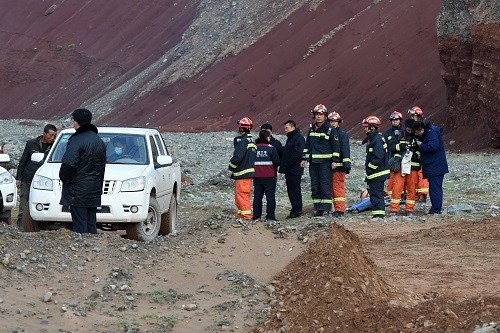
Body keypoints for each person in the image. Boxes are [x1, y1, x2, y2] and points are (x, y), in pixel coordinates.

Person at [59, 108, 106, 234]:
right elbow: (102, 167)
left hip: (78, 190)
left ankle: (82, 251)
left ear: (77, 122)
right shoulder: (99, 141)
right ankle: (93, 250)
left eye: (74, 120)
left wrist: (64, 178)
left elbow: (69, 164)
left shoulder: (76, 141)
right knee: (91, 224)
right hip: (94, 189)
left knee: (79, 225)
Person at [301, 104, 341, 217]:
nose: (319, 117)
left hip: (325, 163)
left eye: (321, 115)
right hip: (313, 162)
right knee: (315, 186)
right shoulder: (312, 129)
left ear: (325, 116)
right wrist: (304, 158)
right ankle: (318, 209)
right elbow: (307, 144)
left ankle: (326, 210)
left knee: (325, 185)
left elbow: (336, 147)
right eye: (317, 115)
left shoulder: (330, 130)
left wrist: (334, 161)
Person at [15, 124, 57, 231]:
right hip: (28, 179)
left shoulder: (55, 146)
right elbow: (23, 161)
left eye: (54, 136)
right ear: (44, 134)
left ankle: (40, 229)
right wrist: (19, 178)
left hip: (45, 182)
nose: (52, 138)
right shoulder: (31, 144)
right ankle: (22, 229)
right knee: (23, 205)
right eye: (51, 135)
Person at [413, 120, 449, 214]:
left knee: (435, 189)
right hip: (435, 166)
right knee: (435, 188)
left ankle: (436, 210)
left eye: (417, 132)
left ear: (421, 130)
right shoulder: (430, 132)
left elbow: (433, 146)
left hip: (435, 167)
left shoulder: (431, 133)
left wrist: (421, 145)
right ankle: (436, 208)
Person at [388, 119, 420, 217]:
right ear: (405, 128)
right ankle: (394, 209)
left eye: (412, 130)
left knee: (412, 188)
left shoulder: (418, 137)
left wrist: (415, 155)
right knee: (397, 187)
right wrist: (402, 146)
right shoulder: (398, 135)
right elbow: (391, 147)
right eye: (409, 130)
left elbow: (420, 150)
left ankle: (409, 210)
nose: (411, 132)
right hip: (400, 165)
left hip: (413, 166)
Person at [228, 117, 257, 219]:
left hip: (242, 173)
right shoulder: (252, 141)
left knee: (242, 195)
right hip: (246, 173)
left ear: (241, 128)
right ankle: (241, 214)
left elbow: (237, 157)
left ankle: (245, 215)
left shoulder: (243, 141)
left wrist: (230, 167)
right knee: (241, 195)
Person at [362, 116, 390, 219]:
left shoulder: (376, 139)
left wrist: (370, 168)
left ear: (372, 127)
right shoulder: (374, 138)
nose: (364, 129)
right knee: (374, 193)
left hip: (377, 173)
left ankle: (379, 214)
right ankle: (377, 213)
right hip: (375, 173)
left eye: (366, 127)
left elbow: (378, 156)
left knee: (377, 193)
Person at [278, 120, 305, 219]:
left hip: (294, 169)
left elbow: (298, 153)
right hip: (290, 169)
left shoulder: (298, 138)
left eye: (287, 128)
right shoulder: (291, 138)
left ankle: (296, 210)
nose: (285, 130)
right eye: (285, 128)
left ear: (293, 128)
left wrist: (287, 164)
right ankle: (295, 209)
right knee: (291, 190)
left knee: (294, 190)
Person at [252, 130, 280, 222]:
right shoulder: (271, 148)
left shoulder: (254, 148)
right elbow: (276, 162)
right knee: (270, 197)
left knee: (257, 196)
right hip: (269, 176)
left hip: (257, 176)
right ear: (267, 137)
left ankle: (256, 216)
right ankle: (270, 216)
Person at [328, 111, 351, 217]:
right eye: (331, 121)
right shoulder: (328, 133)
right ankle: (334, 208)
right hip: (329, 166)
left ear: (339, 122)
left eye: (335, 121)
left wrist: (346, 164)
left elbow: (345, 149)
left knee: (338, 187)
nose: (333, 123)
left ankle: (340, 209)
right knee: (330, 188)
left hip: (340, 166)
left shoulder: (342, 135)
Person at [407, 106, 429, 202]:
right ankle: (416, 194)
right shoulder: (413, 127)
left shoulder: (422, 127)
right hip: (415, 155)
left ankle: (423, 195)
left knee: (421, 174)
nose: (412, 118)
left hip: (422, 154)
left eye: (413, 116)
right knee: (414, 175)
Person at [384, 111, 404, 198]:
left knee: (402, 178)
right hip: (391, 158)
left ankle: (402, 194)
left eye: (396, 120)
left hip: (403, 158)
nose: (395, 121)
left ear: (400, 120)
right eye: (393, 120)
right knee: (391, 178)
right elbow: (385, 146)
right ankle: (390, 194)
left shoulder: (404, 131)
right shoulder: (388, 133)